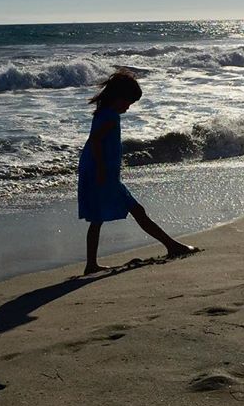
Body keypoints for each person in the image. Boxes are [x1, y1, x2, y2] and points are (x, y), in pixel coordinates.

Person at [78, 70, 198, 274]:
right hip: (102, 173)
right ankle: (172, 246)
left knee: (97, 219)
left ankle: (91, 264)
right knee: (136, 211)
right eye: (127, 102)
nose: (128, 107)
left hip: (98, 171)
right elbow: (96, 142)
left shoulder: (103, 113)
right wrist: (100, 170)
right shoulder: (110, 117)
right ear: (117, 97)